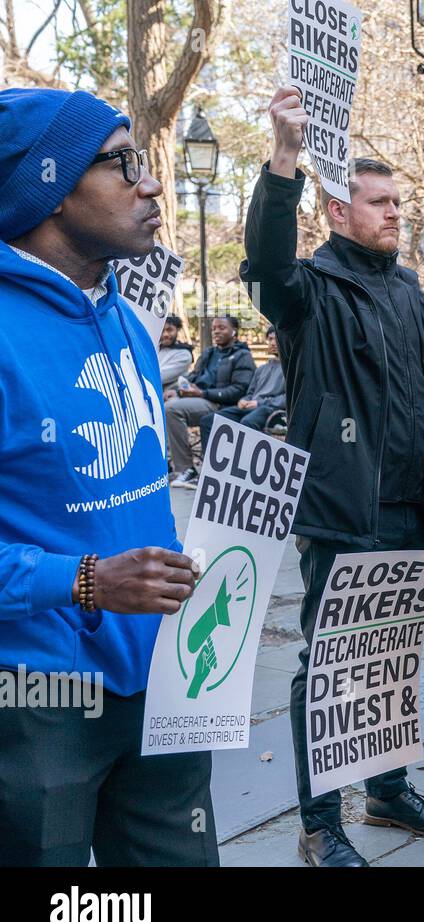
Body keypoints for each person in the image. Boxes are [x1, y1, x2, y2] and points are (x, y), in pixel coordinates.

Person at [241, 86, 424, 868]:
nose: (396, 212)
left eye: (399, 201)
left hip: (410, 511)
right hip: (342, 511)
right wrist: (285, 159)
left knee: (393, 652)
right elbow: (262, 265)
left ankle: (389, 789)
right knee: (331, 664)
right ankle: (318, 819)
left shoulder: (408, 291)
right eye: (380, 201)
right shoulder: (306, 290)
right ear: (338, 211)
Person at [0, 86, 211, 865]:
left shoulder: (123, 315)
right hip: (36, 700)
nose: (149, 183)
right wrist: (86, 580)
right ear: (46, 188)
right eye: (121, 164)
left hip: (165, 680)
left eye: (145, 162)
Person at [164, 313, 253, 486]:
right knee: (166, 404)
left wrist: (202, 394)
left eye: (221, 328)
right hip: (199, 398)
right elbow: (192, 377)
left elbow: (239, 390)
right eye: (214, 328)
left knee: (171, 410)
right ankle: (167, 464)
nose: (216, 332)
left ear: (234, 331)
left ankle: (186, 469)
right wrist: (176, 391)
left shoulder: (242, 355)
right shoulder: (209, 353)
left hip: (220, 404)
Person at [199, 327, 286, 445]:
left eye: (276, 339)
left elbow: (287, 398)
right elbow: (250, 393)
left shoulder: (290, 370)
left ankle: (244, 463)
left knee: (247, 422)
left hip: (271, 409)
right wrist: (244, 400)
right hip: (250, 407)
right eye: (270, 339)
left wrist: (260, 403)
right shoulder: (261, 369)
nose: (273, 343)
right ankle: (211, 462)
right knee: (209, 420)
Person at [157, 314, 193, 389]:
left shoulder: (184, 355)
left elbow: (159, 377)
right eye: (162, 330)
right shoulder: (155, 348)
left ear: (177, 330)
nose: (165, 334)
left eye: (169, 330)